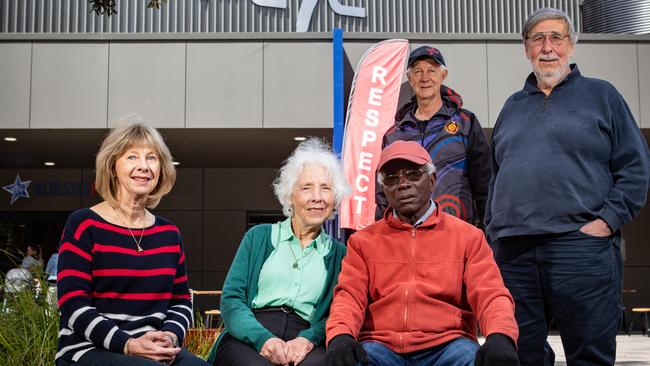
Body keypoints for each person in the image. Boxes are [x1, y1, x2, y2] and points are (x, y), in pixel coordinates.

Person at [485, 8, 650, 366]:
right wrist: (493, 232)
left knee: (589, 353)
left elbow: (636, 167)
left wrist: (606, 221)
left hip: (580, 246)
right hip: (514, 252)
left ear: (571, 45)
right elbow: (497, 177)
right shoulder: (511, 107)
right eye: (537, 39)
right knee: (520, 354)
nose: (547, 48)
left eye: (556, 38)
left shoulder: (602, 96)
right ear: (526, 48)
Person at [325, 141, 519, 366]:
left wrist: (500, 335)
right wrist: (340, 336)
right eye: (392, 178)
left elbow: (491, 294)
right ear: (384, 189)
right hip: (381, 348)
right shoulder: (362, 242)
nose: (403, 184)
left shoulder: (468, 237)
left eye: (413, 174)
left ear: (432, 180)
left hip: (449, 345)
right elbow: (349, 297)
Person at [55, 121, 209, 366]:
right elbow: (73, 302)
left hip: (155, 350)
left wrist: (169, 337)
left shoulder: (170, 234)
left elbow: (180, 301)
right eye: (132, 157)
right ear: (113, 166)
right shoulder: (84, 224)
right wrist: (128, 344)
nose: (143, 166)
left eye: (152, 158)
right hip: (90, 349)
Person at [208, 138, 351, 366]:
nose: (317, 197)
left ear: (335, 198)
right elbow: (232, 300)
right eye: (306, 188)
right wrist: (263, 340)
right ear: (290, 196)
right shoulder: (259, 237)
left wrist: (308, 339)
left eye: (326, 188)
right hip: (251, 333)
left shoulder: (340, 254)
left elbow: (338, 313)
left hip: (307, 338)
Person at [375, 46, 491, 227]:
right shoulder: (394, 134)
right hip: (405, 235)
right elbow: (383, 193)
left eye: (432, 70)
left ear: (443, 75)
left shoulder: (465, 123)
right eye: (418, 71)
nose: (425, 78)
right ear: (409, 78)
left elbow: (485, 184)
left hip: (456, 232)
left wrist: (486, 232)